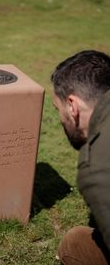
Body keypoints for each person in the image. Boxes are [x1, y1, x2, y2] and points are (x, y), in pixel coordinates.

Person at [51, 50, 110, 264]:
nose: (59, 118)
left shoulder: (96, 167)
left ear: (72, 106)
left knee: (74, 245)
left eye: (57, 109)